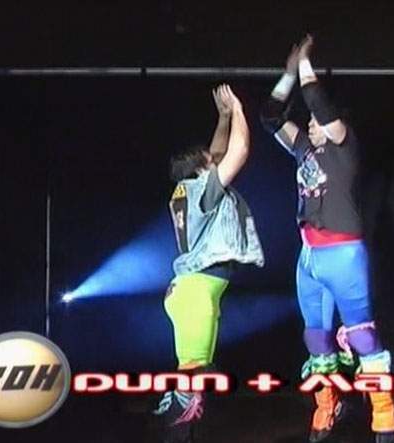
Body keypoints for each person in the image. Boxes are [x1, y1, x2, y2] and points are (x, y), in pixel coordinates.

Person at [260, 35, 394, 443]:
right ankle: (327, 403)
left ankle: (384, 413)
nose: (310, 124)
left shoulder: (344, 146)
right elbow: (270, 116)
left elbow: (319, 103)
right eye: (309, 122)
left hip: (342, 254)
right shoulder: (304, 148)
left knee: (361, 334)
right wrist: (288, 74)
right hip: (310, 257)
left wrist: (305, 65)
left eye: (316, 121)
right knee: (315, 336)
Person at [155, 84, 265, 443]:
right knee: (191, 380)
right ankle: (175, 434)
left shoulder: (189, 189)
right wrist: (240, 110)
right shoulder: (204, 189)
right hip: (196, 292)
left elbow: (217, 153)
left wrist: (223, 117)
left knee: (196, 378)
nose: (213, 157)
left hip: (194, 290)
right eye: (208, 158)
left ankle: (184, 431)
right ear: (202, 166)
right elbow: (239, 150)